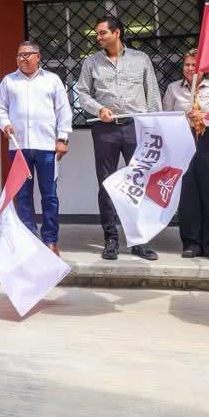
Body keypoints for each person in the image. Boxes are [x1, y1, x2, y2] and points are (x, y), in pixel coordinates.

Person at [75, 15, 163, 261]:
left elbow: (152, 95)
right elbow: (82, 93)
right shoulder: (91, 63)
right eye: (97, 33)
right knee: (107, 184)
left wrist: (156, 128)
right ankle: (111, 239)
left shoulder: (141, 59)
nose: (98, 37)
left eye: (102, 32)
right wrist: (98, 109)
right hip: (106, 130)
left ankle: (139, 241)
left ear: (117, 33)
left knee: (138, 184)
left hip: (136, 128)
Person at [0, 40, 73, 256]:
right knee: (23, 195)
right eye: (19, 55)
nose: (22, 58)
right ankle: (29, 239)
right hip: (19, 147)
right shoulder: (9, 81)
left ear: (38, 57)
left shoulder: (52, 80)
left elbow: (63, 111)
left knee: (50, 195)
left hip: (47, 146)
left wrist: (62, 138)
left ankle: (50, 240)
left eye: (27, 54)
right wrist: (4, 123)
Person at [162, 49, 209, 261]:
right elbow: (166, 117)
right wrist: (184, 118)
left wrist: (205, 116)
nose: (190, 69)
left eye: (195, 65)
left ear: (204, 69)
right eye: (187, 65)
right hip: (184, 141)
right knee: (188, 194)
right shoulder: (173, 88)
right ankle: (192, 243)